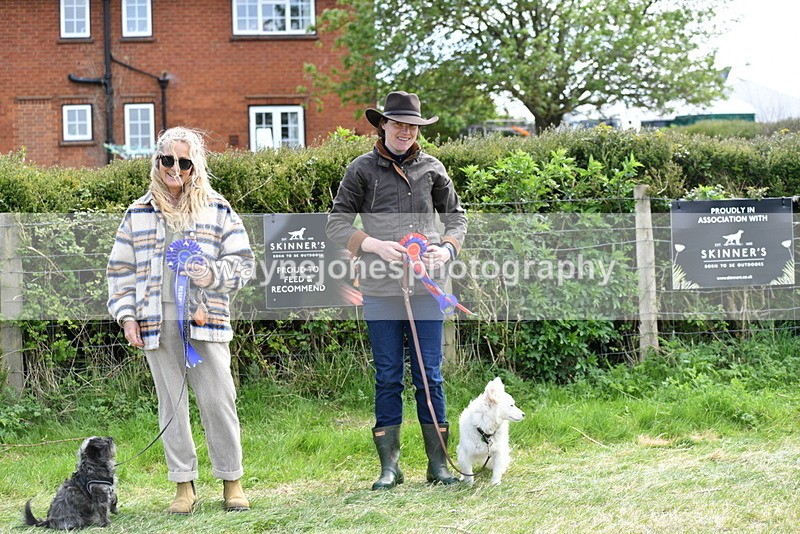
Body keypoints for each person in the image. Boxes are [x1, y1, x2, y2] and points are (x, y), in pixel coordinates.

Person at [107, 127, 254, 513]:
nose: (176, 168)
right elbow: (119, 271)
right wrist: (127, 317)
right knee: (170, 405)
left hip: (207, 318)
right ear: (157, 162)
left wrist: (212, 275)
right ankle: (183, 486)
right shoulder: (137, 213)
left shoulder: (217, 208)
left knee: (218, 400)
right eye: (168, 159)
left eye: (184, 162)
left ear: (195, 167)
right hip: (156, 321)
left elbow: (243, 263)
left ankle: (231, 480)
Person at [326, 91, 467, 489]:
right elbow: (335, 224)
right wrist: (370, 244)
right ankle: (390, 467)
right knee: (388, 376)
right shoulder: (361, 170)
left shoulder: (433, 169)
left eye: (412, 125)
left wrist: (446, 247)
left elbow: (456, 218)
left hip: (426, 288)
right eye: (398, 123)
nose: (405, 131)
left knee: (430, 376)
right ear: (383, 125)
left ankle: (438, 465)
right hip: (379, 289)